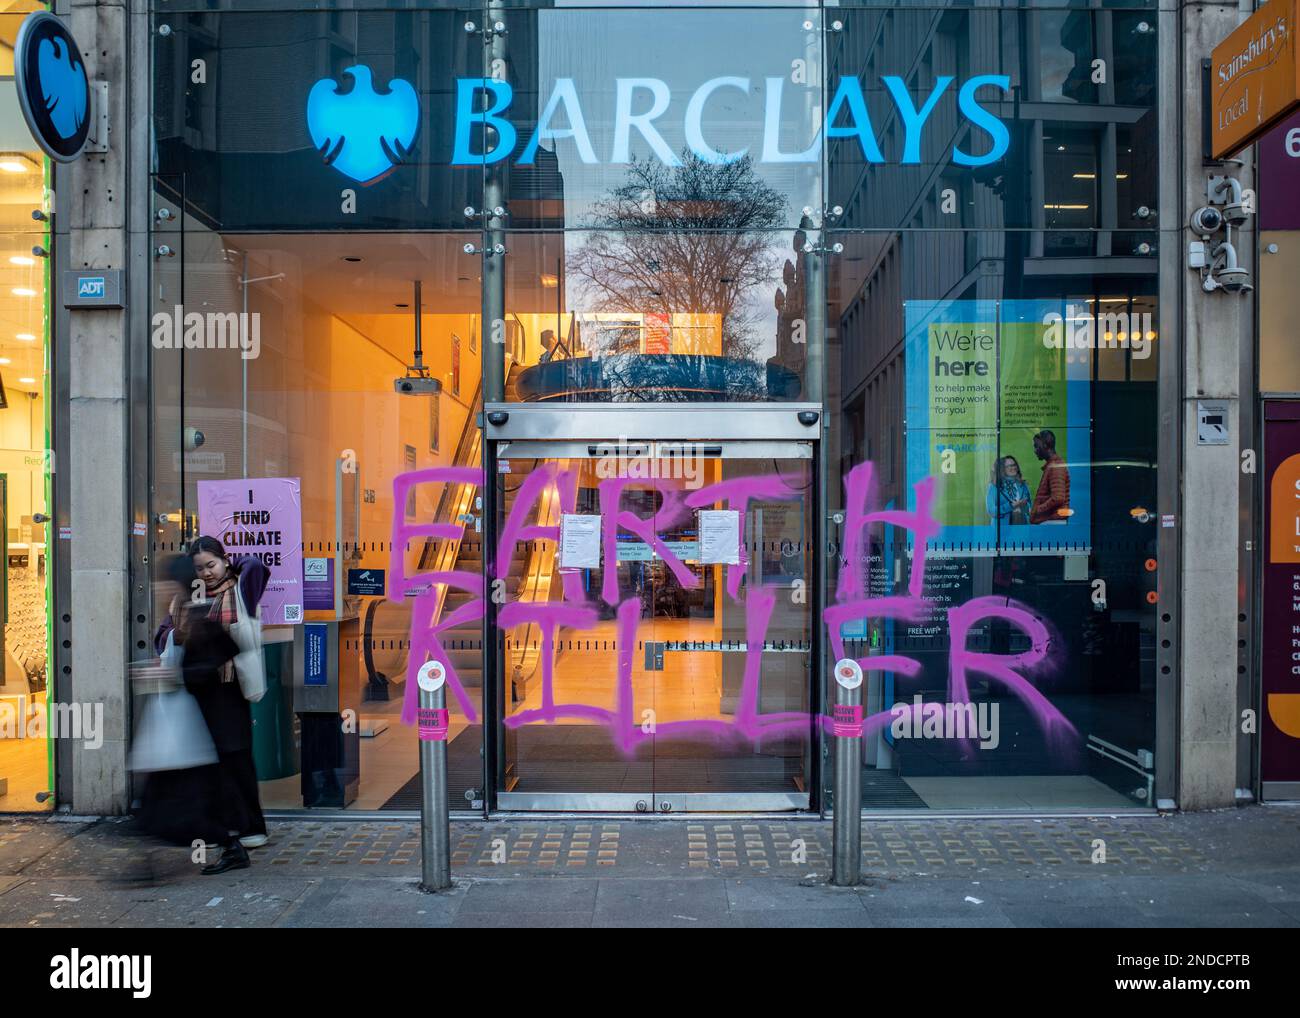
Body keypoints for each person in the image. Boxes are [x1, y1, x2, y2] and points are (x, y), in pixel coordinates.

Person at [154, 536, 271, 874]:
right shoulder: (187, 600)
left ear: (225, 561)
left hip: (232, 687)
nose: (206, 573)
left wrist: (231, 566)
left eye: (212, 565)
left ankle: (252, 828)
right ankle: (235, 830)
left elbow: (257, 566)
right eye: (199, 568)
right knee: (218, 761)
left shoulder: (242, 590)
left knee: (238, 757)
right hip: (203, 691)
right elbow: (165, 635)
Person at [1029, 429, 1071, 524]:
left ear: (1045, 445)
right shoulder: (1053, 465)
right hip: (1052, 520)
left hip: (1052, 521)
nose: (1035, 451)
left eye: (1036, 446)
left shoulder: (1055, 466)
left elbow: (1058, 498)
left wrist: (1037, 510)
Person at [985, 455, 1031, 525]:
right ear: (1002, 469)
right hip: (1002, 530)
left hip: (1022, 526)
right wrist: (1011, 506)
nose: (1014, 468)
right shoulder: (994, 486)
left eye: (1014, 465)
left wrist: (1024, 507)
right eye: (1010, 466)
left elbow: (1030, 506)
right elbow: (991, 511)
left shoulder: (1023, 484)